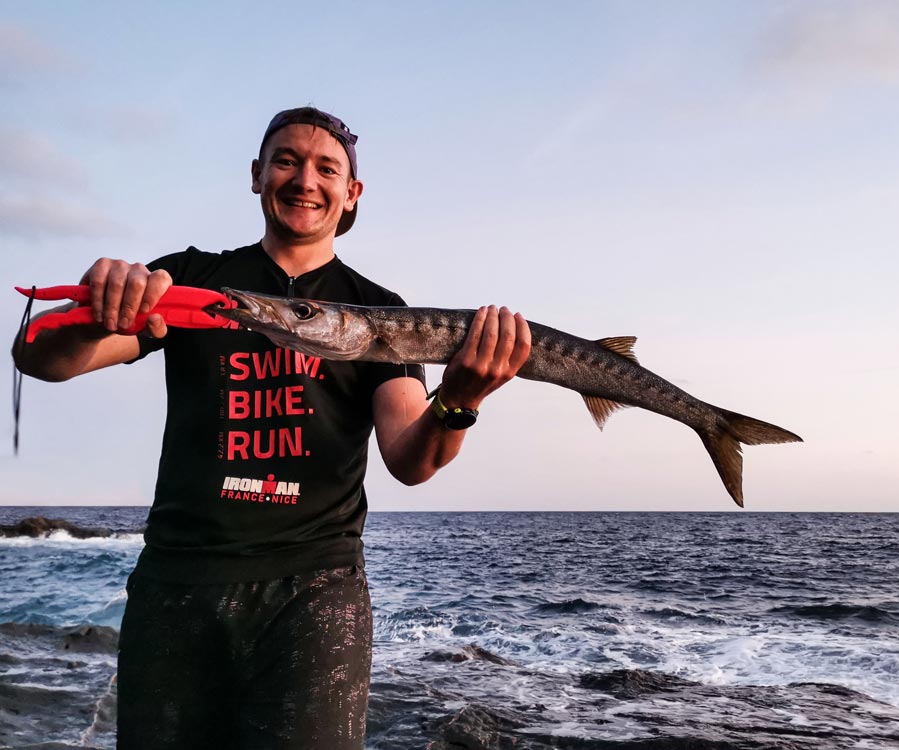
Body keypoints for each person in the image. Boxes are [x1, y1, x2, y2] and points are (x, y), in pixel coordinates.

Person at [13, 106, 532, 749]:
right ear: (257, 175)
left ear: (351, 193)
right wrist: (99, 315)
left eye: (326, 168)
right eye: (285, 160)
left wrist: (459, 399)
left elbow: (410, 458)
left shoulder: (383, 316)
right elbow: (40, 358)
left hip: (315, 592)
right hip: (178, 581)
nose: (304, 179)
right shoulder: (192, 279)